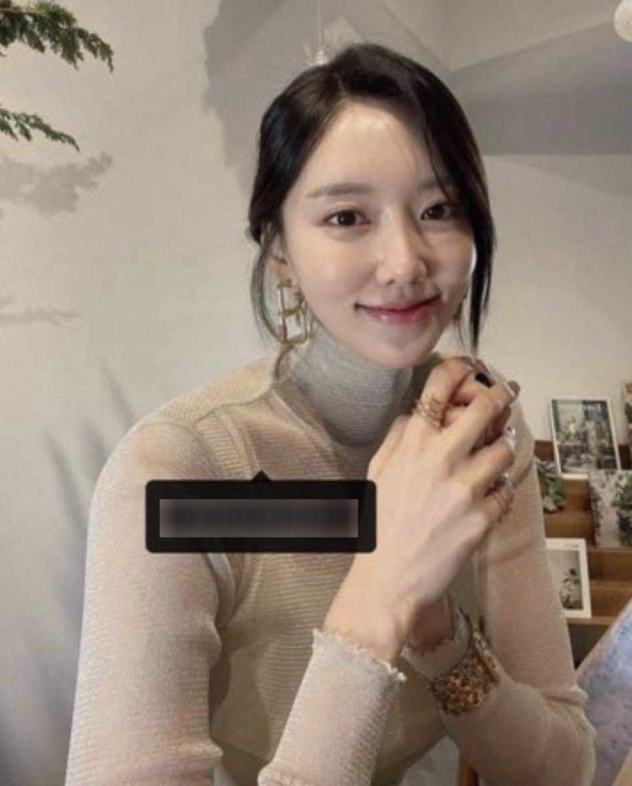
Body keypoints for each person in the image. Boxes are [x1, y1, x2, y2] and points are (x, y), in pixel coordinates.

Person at [63, 42, 597, 786]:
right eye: (347, 216)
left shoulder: (479, 430)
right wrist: (382, 589)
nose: (406, 262)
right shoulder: (179, 470)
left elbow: (562, 768)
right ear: (279, 248)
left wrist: (439, 634)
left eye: (439, 209)